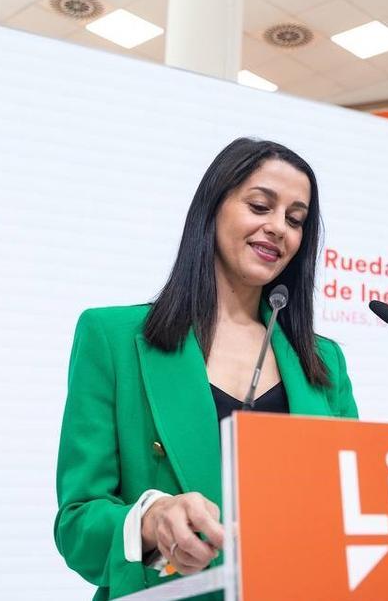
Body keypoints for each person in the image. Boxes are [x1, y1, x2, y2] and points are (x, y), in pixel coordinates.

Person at [53, 137, 359, 600]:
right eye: (260, 206)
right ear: (213, 207)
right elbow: (77, 525)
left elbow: (353, 510)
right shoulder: (110, 337)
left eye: (295, 220)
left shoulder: (325, 362)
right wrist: (152, 521)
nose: (278, 228)